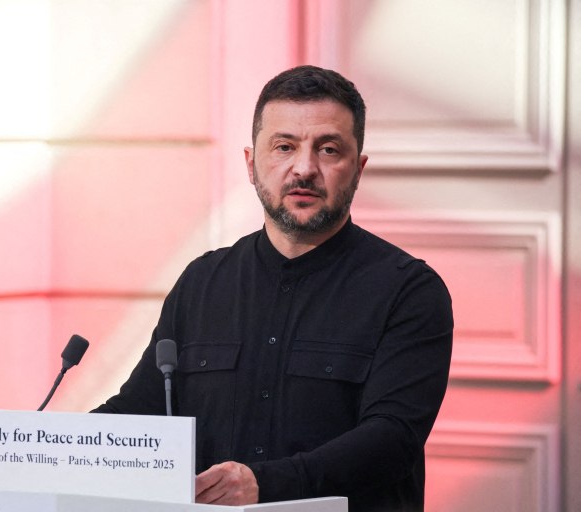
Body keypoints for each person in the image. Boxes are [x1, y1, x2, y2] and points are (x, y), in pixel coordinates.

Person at [92, 65, 453, 512]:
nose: (304, 168)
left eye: (328, 149)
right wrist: (45, 450)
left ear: (358, 169)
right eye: (284, 147)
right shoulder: (202, 282)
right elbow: (141, 411)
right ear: (251, 164)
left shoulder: (409, 291)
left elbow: (391, 440)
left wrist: (265, 485)